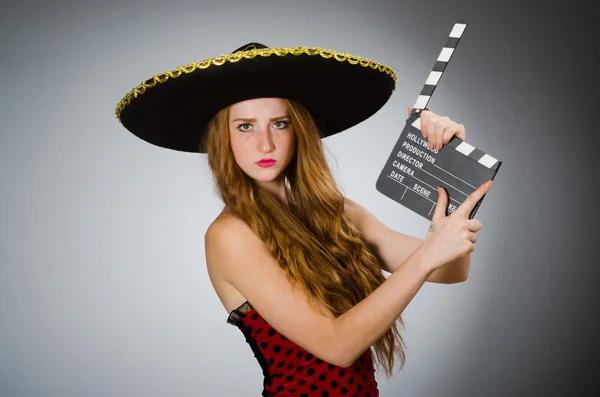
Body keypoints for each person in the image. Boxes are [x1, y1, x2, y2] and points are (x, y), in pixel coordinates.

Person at [116, 42, 492, 397]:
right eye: (245, 126)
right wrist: (429, 254)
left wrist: (449, 168)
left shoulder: (337, 213)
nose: (265, 144)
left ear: (299, 130)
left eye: (279, 124)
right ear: (223, 138)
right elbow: (338, 345)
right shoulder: (230, 235)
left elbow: (451, 270)